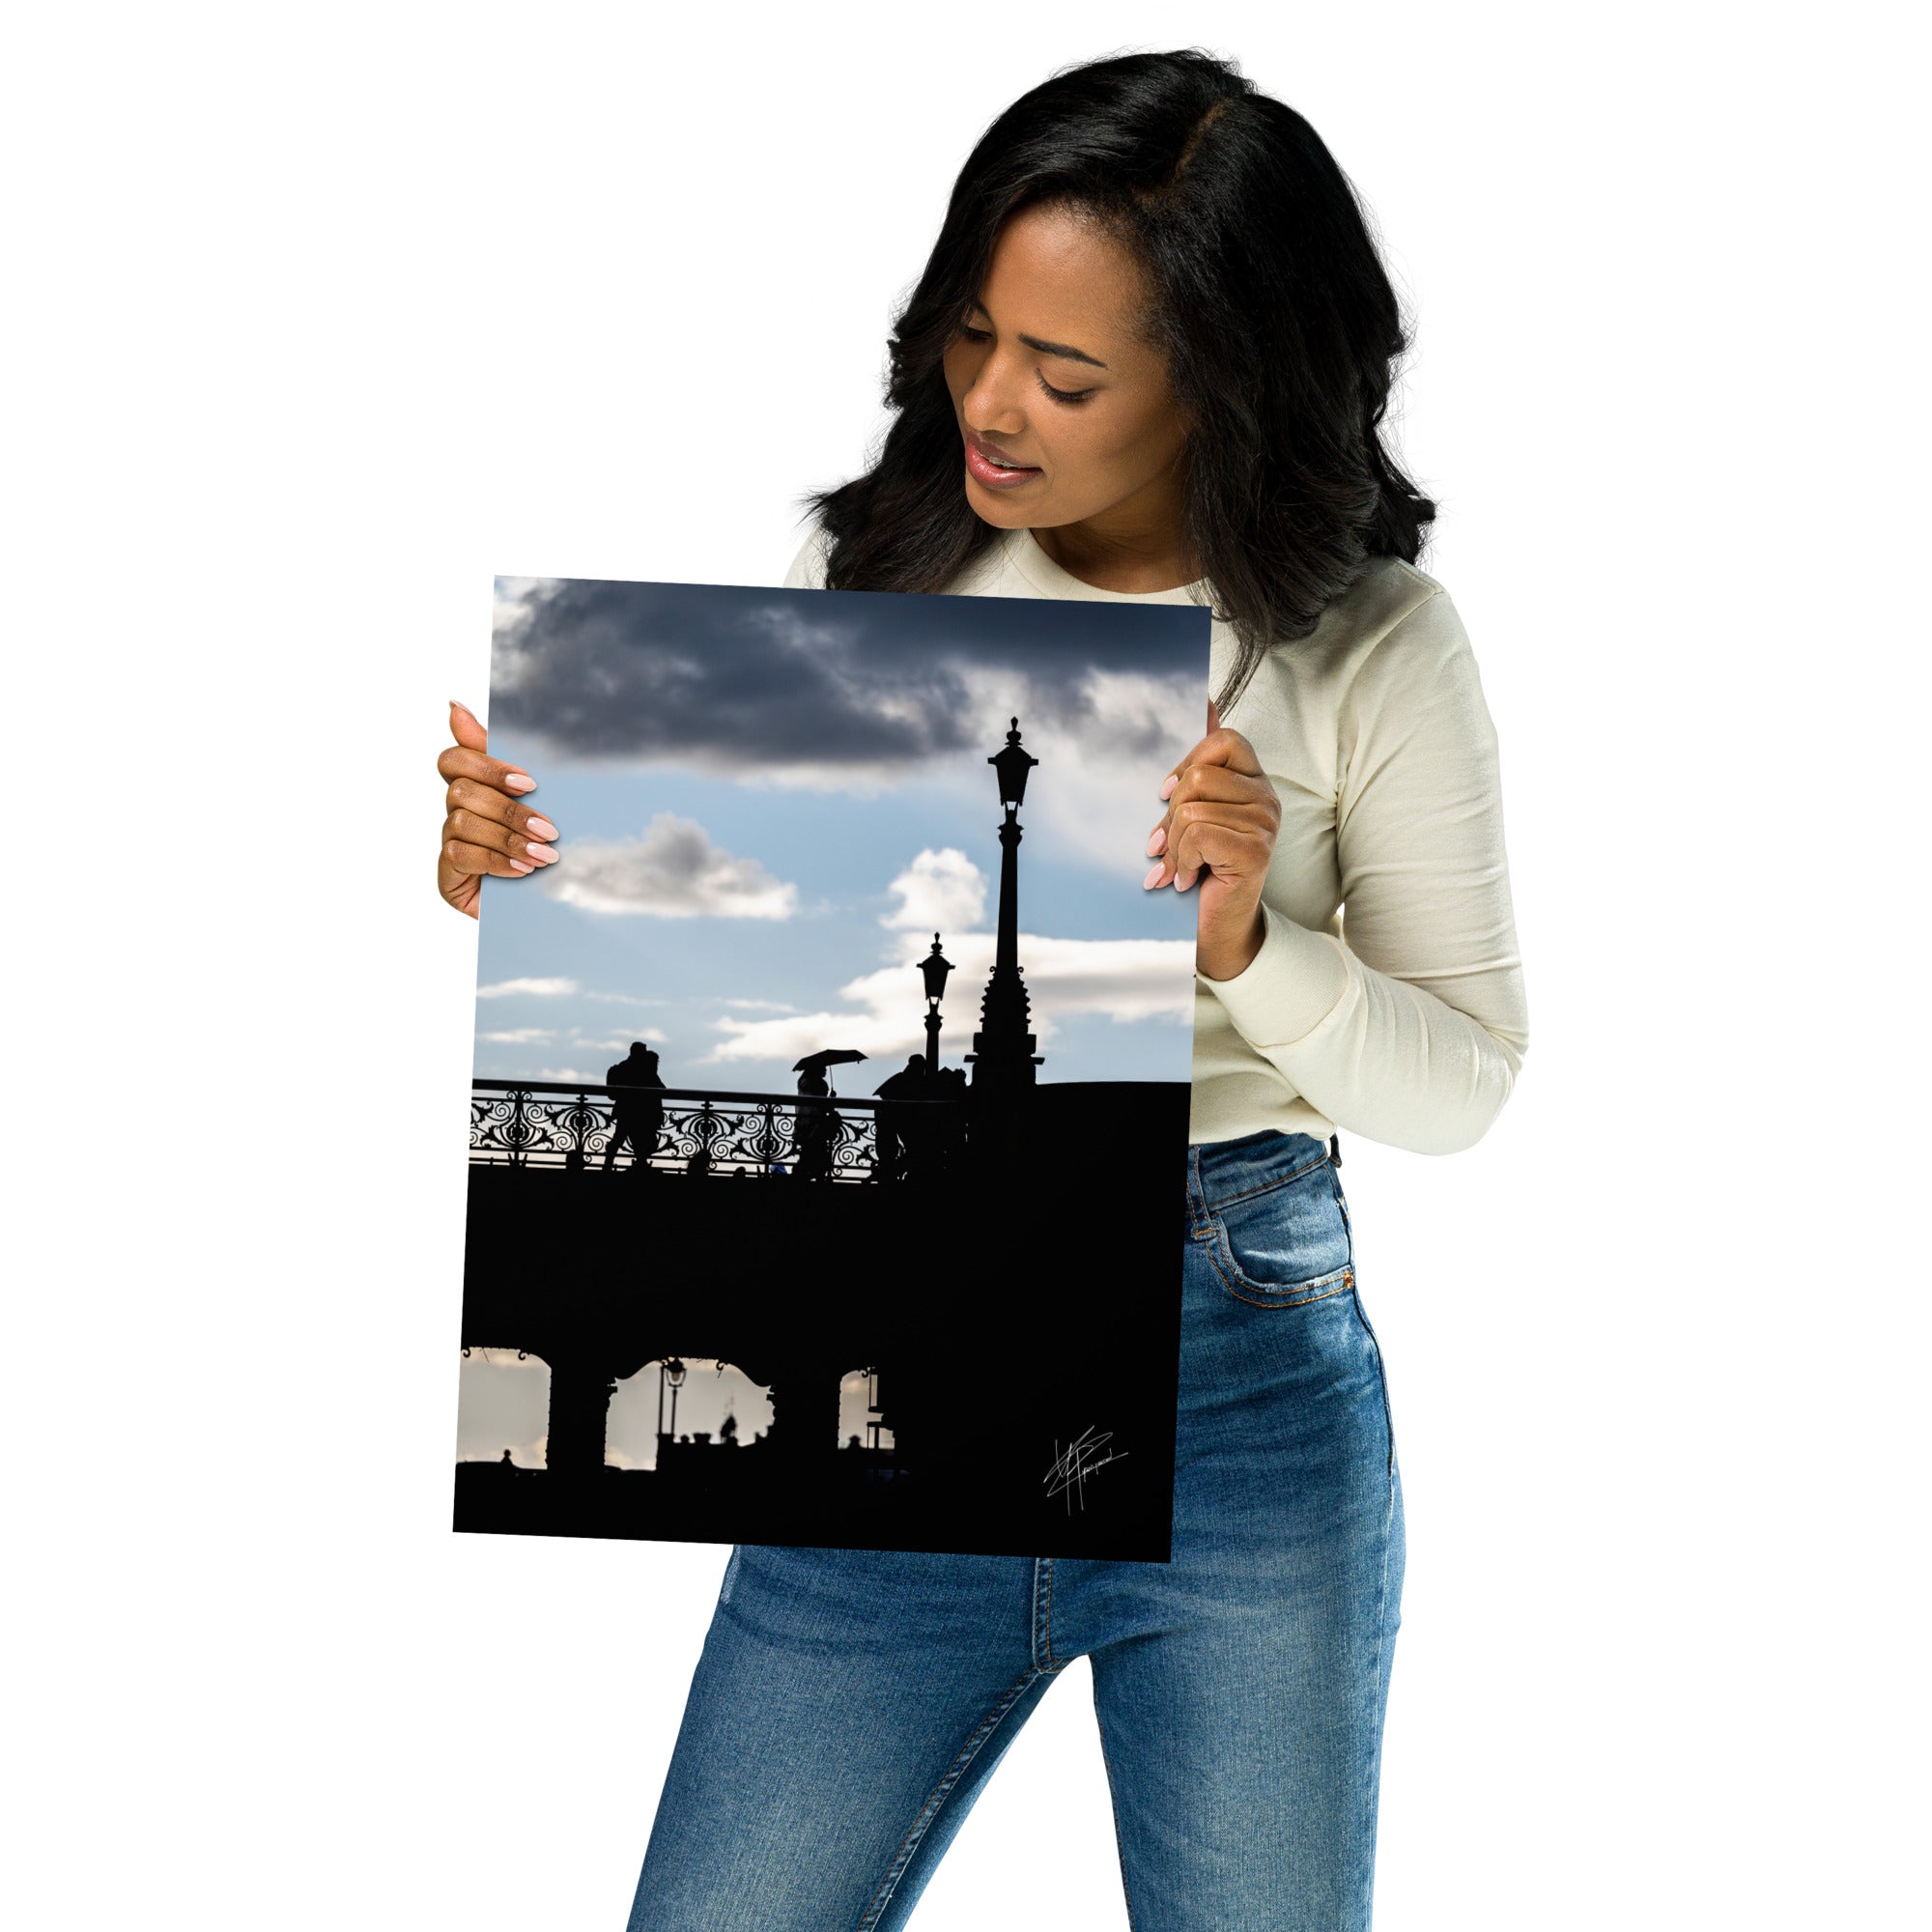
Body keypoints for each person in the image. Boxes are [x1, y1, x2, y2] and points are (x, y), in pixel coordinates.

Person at [434, 48, 1528, 1930]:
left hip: (1238, 1381)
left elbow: (1462, 1085)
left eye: (1069, 371)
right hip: (901, 1372)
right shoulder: (879, 569)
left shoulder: (1365, 645)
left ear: (1225, 383)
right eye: (969, 336)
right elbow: (748, 965)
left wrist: (1248, 945)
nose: (991, 404)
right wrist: (528, 877)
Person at [600, 1040, 666, 1175]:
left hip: (625, 1110)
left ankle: (607, 1166)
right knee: (640, 1140)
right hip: (642, 1111)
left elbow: (612, 1095)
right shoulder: (645, 1070)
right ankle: (640, 1165)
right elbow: (661, 1089)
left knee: (619, 1138)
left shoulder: (620, 1068)